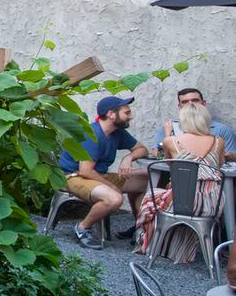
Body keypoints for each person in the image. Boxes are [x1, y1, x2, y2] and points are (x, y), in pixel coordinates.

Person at [57, 95, 149, 250]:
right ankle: (82, 228)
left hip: (95, 175)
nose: (130, 116)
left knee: (146, 182)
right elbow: (85, 170)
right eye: (127, 113)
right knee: (114, 199)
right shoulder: (92, 134)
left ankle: (139, 228)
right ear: (111, 114)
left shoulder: (117, 132)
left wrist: (128, 158)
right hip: (74, 177)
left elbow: (142, 149)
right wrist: (111, 186)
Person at [134, 102, 225, 255]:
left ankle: (150, 244)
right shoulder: (218, 142)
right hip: (212, 203)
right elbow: (220, 164)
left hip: (183, 203)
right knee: (164, 195)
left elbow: (167, 161)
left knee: (150, 197)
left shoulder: (172, 141)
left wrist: (168, 133)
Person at [152, 87, 236, 162]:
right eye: (185, 102)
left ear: (203, 103)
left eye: (195, 100)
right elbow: (157, 154)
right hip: (207, 177)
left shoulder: (222, 130)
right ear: (179, 106)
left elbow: (232, 156)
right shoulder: (169, 126)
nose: (190, 104)